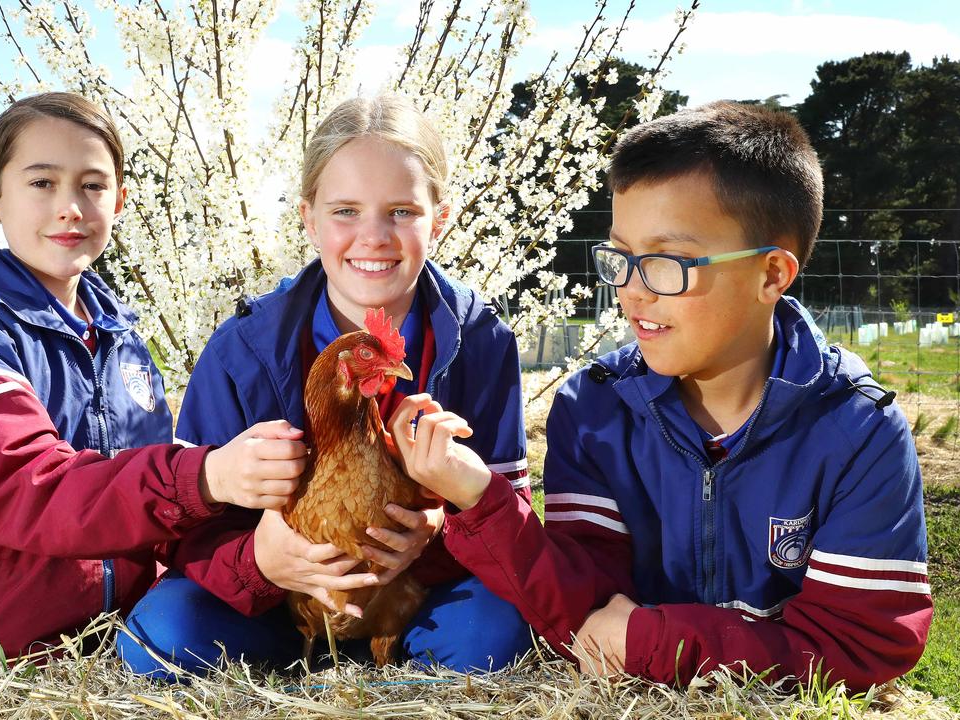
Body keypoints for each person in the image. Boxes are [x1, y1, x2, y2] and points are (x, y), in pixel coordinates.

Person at [390, 101, 932, 689]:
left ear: (772, 274)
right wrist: (480, 496)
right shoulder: (594, 411)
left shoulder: (859, 431)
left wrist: (658, 642)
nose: (632, 291)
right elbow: (585, 613)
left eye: (667, 263)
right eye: (620, 258)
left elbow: (858, 646)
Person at [116, 93, 534, 675]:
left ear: (440, 218)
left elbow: (511, 511)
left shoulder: (483, 343)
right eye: (345, 211)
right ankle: (296, 652)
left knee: (498, 635)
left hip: (415, 600)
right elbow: (189, 528)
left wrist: (437, 532)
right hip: (274, 605)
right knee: (159, 637)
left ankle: (401, 661)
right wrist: (260, 562)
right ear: (309, 219)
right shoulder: (244, 350)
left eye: (402, 212)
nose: (374, 237)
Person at [0, 92, 310, 672]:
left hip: (116, 658)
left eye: (92, 185)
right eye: (42, 183)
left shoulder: (122, 342)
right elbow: (28, 491)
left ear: (118, 200)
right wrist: (208, 474)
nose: (71, 208)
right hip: (1, 666)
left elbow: (161, 512)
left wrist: (261, 559)